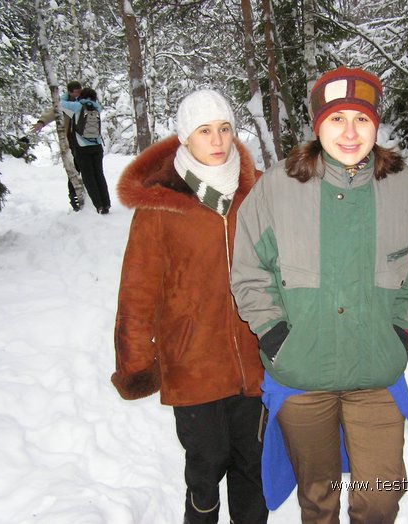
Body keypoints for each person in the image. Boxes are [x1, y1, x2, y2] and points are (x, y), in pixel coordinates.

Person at [231, 66, 408, 523]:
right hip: (303, 373)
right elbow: (249, 272)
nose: (349, 132)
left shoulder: (402, 186)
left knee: (381, 496)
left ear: (376, 125)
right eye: (336, 118)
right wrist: (274, 336)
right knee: (317, 496)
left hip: (377, 374)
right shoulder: (279, 186)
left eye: (361, 119)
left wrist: (399, 331)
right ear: (317, 123)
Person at [111, 89, 268, 524]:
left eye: (224, 129)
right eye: (204, 131)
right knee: (206, 465)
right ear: (185, 139)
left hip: (254, 363)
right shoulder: (161, 206)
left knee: (252, 467)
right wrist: (136, 362)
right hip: (192, 363)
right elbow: (137, 291)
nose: (217, 140)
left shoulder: (254, 195)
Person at [33, 80, 85, 211]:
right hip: (70, 140)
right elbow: (52, 113)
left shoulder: (83, 100)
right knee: (73, 169)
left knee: (85, 168)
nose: (79, 94)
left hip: (84, 140)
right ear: (70, 92)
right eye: (76, 92)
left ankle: (85, 195)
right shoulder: (62, 103)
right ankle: (74, 197)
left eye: (80, 91)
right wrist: (41, 122)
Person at [58, 88, 111, 214]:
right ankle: (106, 203)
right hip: (97, 147)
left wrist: (68, 93)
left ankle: (98, 205)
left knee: (89, 178)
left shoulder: (76, 106)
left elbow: (60, 103)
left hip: (82, 148)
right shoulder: (97, 107)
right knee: (99, 175)